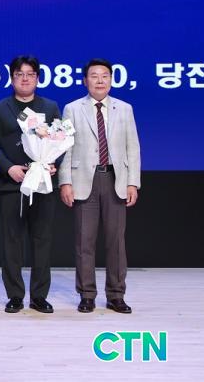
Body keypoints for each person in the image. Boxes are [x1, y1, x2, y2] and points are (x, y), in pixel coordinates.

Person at [59, 58, 141, 314]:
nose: (100, 80)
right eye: (94, 76)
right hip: (85, 180)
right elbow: (65, 148)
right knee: (84, 241)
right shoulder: (72, 109)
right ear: (86, 81)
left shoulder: (124, 108)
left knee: (116, 242)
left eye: (105, 75)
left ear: (111, 80)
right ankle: (87, 295)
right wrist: (65, 181)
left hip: (115, 178)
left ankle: (116, 295)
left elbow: (133, 147)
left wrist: (133, 182)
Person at [0, 55, 61, 314]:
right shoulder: (0, 108)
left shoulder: (50, 107)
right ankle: (15, 295)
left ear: (37, 78)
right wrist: (9, 168)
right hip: (13, 183)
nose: (25, 79)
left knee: (42, 240)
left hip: (42, 183)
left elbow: (59, 139)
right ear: (12, 78)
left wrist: (53, 163)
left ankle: (39, 296)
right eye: (19, 74)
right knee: (12, 242)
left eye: (30, 74)